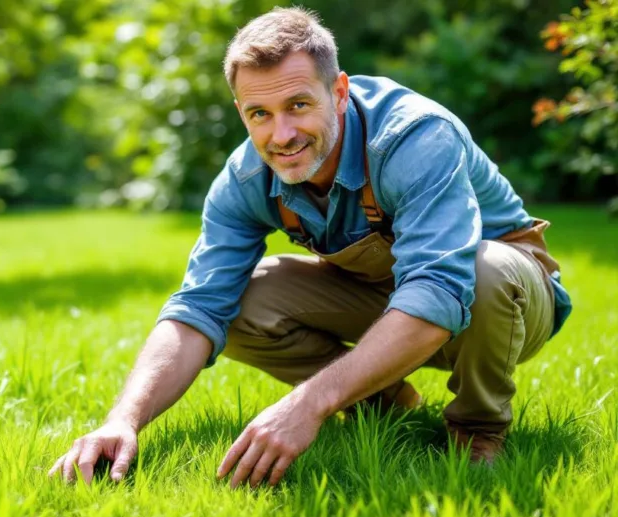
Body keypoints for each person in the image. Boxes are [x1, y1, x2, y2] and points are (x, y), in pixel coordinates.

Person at [47, 6, 573, 488]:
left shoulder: (414, 138)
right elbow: (197, 308)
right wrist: (123, 419)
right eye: (259, 113)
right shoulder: (245, 178)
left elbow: (440, 290)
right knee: (239, 301)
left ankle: (477, 432)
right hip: (381, 295)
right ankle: (381, 401)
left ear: (339, 92)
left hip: (502, 303)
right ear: (241, 111)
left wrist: (308, 404)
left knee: (486, 268)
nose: (282, 134)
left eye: (298, 105)